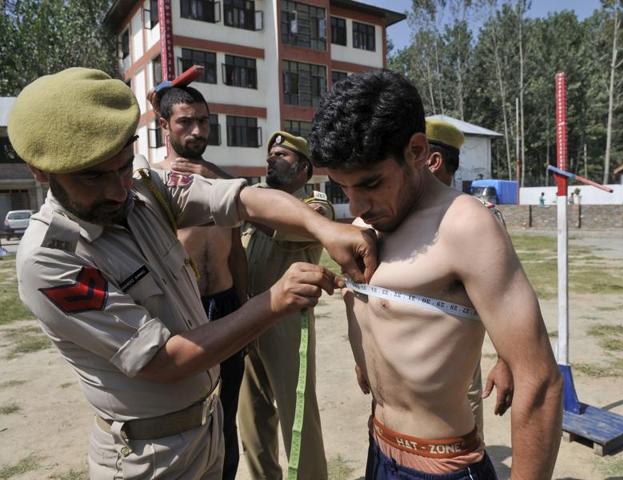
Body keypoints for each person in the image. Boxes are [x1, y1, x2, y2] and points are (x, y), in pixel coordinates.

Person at [9, 67, 376, 480]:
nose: (116, 190)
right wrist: (272, 302)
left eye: (123, 166)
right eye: (92, 176)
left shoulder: (144, 188)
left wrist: (324, 228)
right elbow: (166, 360)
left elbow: (240, 199)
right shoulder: (51, 259)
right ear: (40, 170)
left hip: (204, 429)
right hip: (148, 458)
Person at [309, 71, 562, 480]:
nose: (357, 203)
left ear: (417, 150)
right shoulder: (365, 223)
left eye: (370, 183)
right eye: (342, 187)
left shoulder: (465, 226)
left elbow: (541, 382)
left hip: (442, 466)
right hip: (379, 449)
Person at [156, 85, 247, 480]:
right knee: (185, 416)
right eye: (185, 122)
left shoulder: (221, 180)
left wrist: (246, 309)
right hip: (184, 312)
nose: (197, 131)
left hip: (226, 305)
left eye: (204, 121)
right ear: (164, 127)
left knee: (228, 412)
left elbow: (237, 251)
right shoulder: (152, 182)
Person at [237, 131, 331, 480]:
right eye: (270, 154)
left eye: (282, 155)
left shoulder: (315, 207)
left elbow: (285, 224)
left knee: (298, 417)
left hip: (287, 326)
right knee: (252, 419)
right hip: (248, 319)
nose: (271, 159)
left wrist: (238, 204)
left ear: (304, 169)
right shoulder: (256, 203)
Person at [424, 119, 514, 438]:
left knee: (465, 420)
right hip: (406, 371)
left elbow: (504, 298)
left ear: (432, 161)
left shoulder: (478, 219)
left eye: (409, 153)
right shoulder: (396, 217)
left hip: (459, 360)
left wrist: (506, 359)